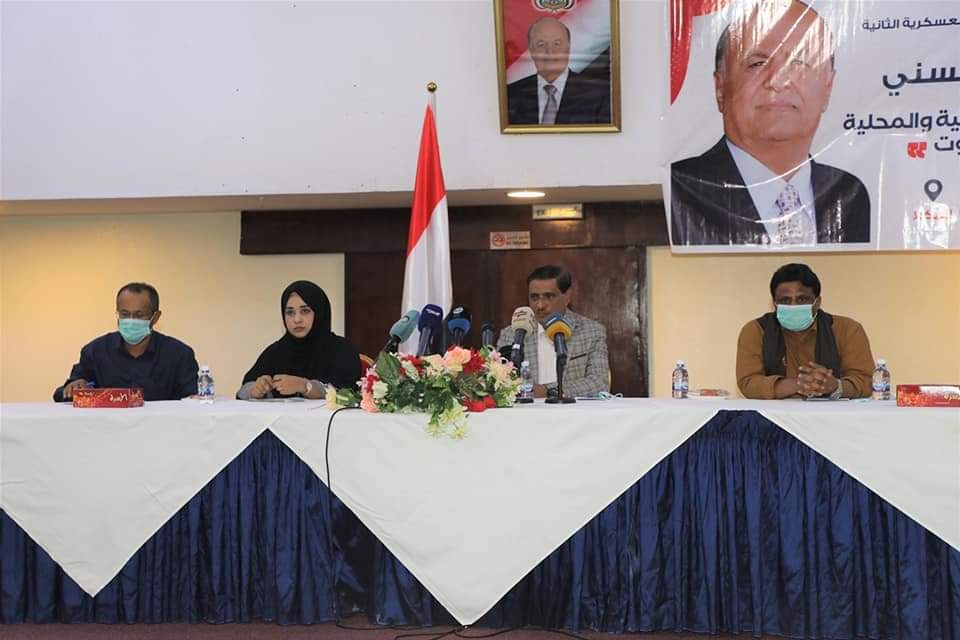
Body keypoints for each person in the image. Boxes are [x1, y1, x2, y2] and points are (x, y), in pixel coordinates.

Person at [670, 0, 870, 246]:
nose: (777, 81)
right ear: (720, 87)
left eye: (799, 62)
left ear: (828, 87)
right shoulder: (678, 189)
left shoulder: (851, 194)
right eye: (757, 63)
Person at [736, 263, 874, 399]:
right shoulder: (756, 330)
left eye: (802, 299)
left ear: (817, 302)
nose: (793, 306)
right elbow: (748, 382)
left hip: (832, 413)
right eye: (785, 300)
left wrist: (835, 386)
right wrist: (799, 384)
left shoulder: (847, 329)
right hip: (774, 413)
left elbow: (866, 381)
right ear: (775, 304)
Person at [53, 282, 198, 402]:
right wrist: (74, 387)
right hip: (108, 427)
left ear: (155, 317)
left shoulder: (179, 355)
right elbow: (62, 395)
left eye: (139, 315)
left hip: (161, 427)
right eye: (124, 314)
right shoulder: (95, 351)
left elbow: (193, 401)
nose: (131, 320)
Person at [496, 265, 609, 397]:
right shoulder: (512, 334)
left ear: (567, 296)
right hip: (527, 409)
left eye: (549, 296)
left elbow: (599, 383)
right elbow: (499, 382)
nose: (540, 305)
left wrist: (549, 391)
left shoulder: (591, 332)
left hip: (572, 409)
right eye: (534, 297)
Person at [237, 280, 361, 399]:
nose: (297, 319)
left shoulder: (342, 349)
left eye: (305, 311)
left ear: (320, 312)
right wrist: (255, 389)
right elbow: (243, 390)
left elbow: (349, 394)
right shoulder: (276, 351)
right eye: (290, 312)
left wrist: (305, 386)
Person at [506, 16, 611, 125]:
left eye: (557, 43)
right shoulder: (510, 94)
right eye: (541, 44)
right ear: (532, 51)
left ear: (568, 48)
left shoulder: (600, 94)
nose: (550, 52)